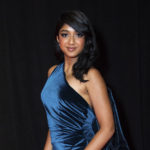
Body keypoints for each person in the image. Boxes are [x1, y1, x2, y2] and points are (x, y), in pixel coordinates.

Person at [41, 10, 129, 150]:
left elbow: (108, 129)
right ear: (58, 38)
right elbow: (55, 124)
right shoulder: (52, 72)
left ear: (86, 39)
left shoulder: (91, 75)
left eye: (78, 34)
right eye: (65, 34)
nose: (71, 41)